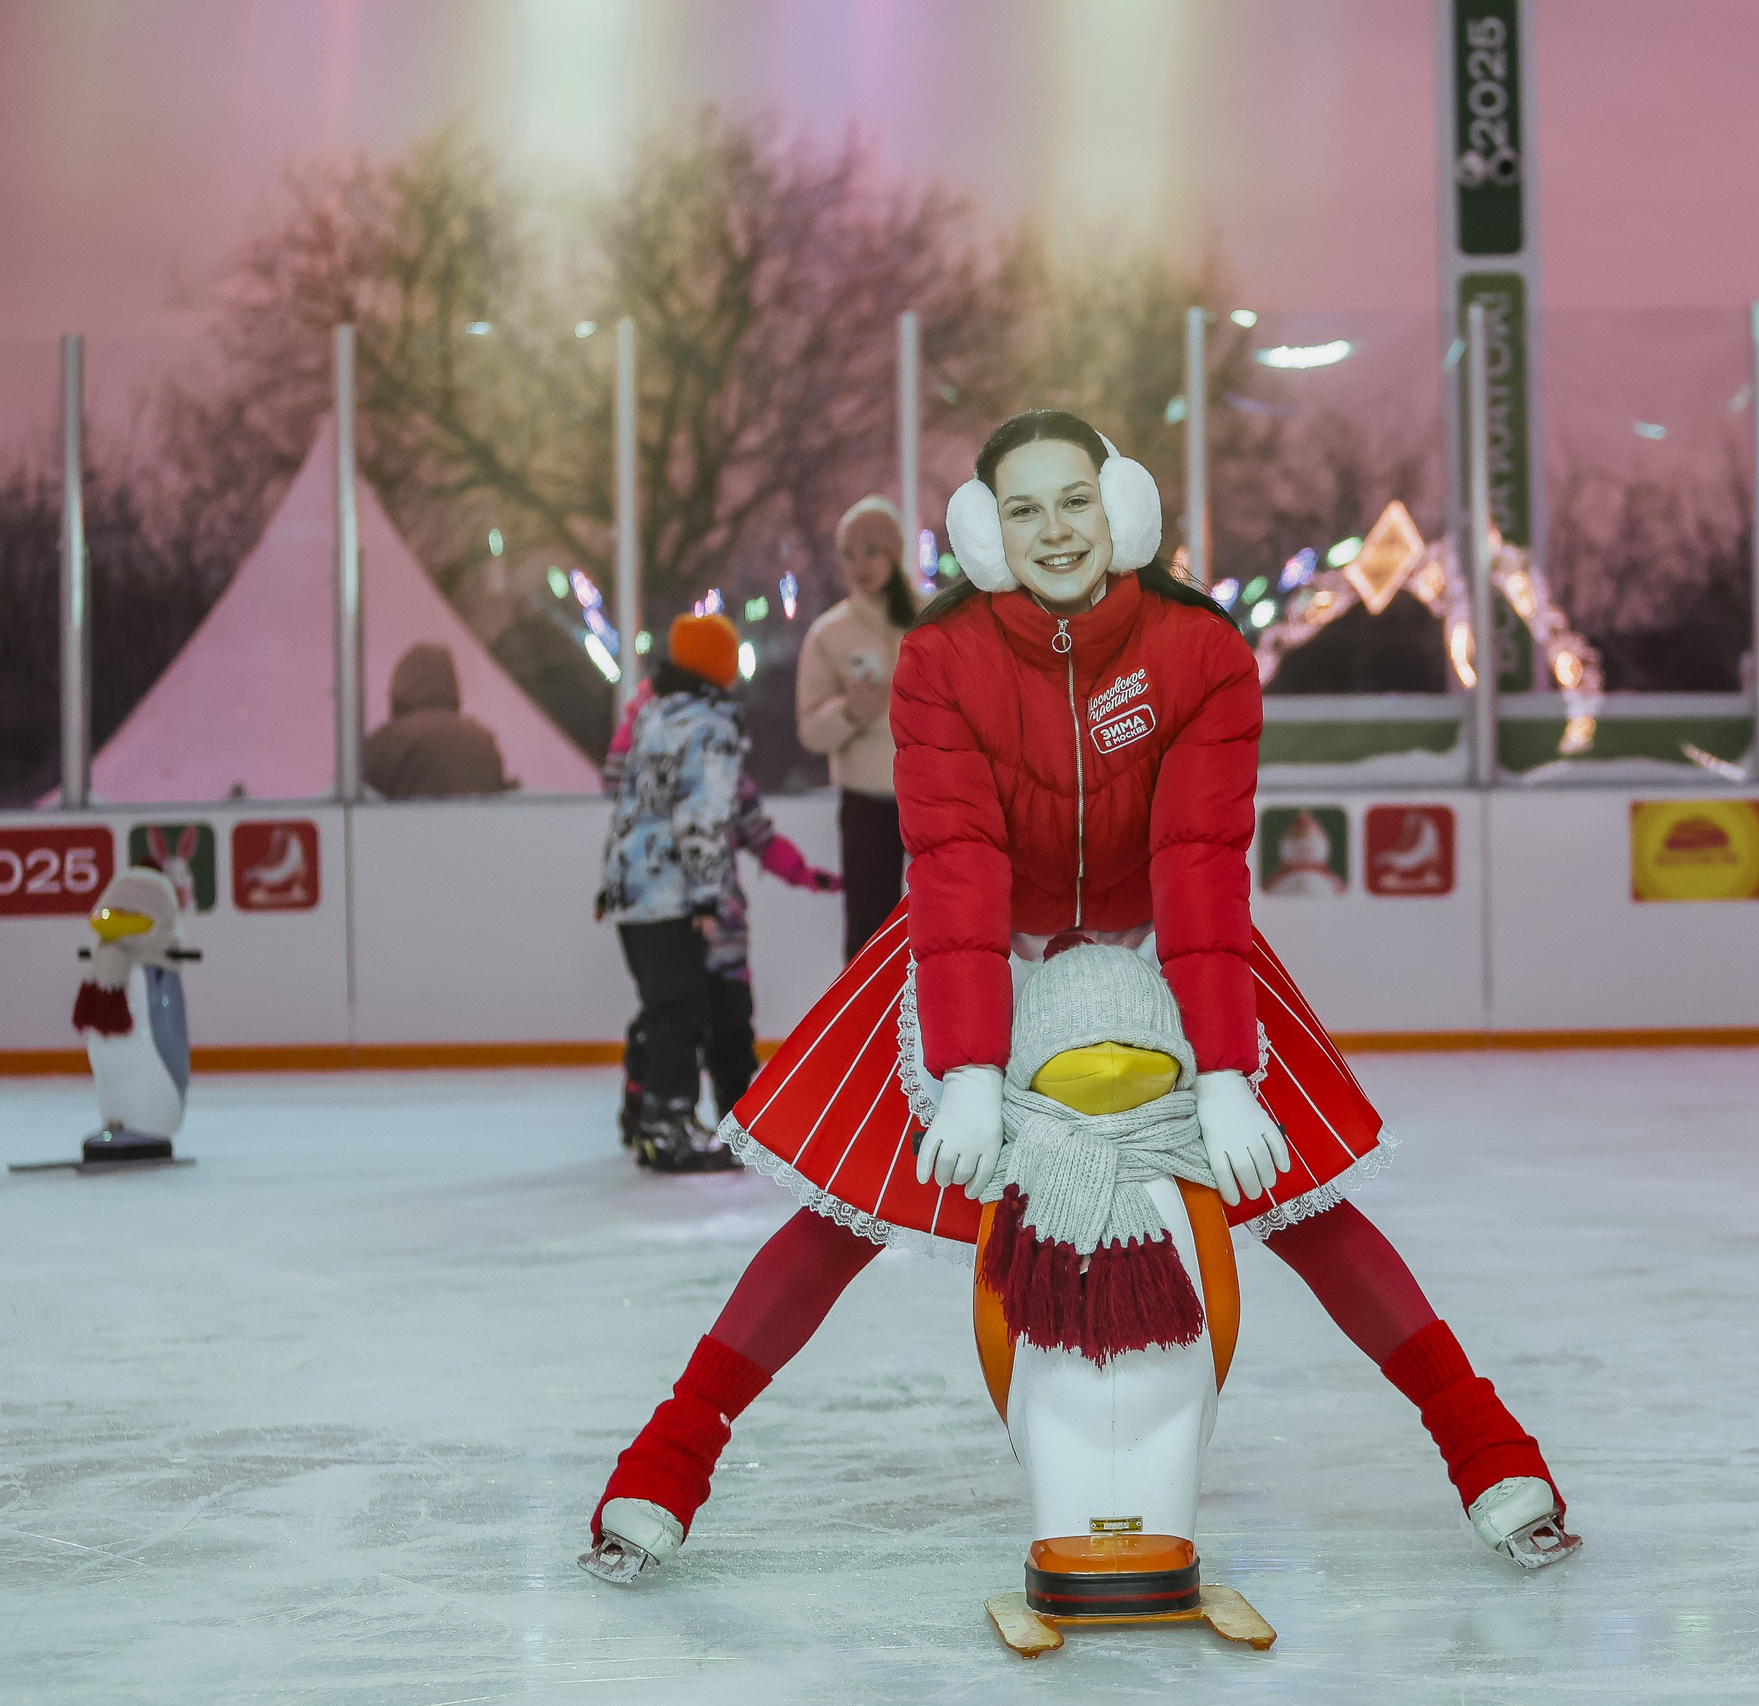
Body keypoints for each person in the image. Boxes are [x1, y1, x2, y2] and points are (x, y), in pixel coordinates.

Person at [579, 411, 1576, 1586]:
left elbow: (1199, 857)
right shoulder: (940, 658)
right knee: (839, 1217)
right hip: (978, 953)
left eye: (1074, 502)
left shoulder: (1199, 649)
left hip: (1172, 948)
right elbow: (955, 861)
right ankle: (667, 1459)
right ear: (985, 532)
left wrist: (1222, 1070)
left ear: (1123, 512)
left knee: (1301, 1198)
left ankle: (1488, 1449)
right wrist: (962, 1067)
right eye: (1023, 509)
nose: (1054, 529)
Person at [604, 682, 841, 1155]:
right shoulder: (649, 788)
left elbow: (760, 835)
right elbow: (617, 784)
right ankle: (649, 1106)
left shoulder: (728, 780)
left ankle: (739, 1123)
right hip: (677, 920)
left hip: (724, 930)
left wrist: (804, 875)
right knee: (670, 1018)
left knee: (730, 1024)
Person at [596, 614, 748, 1173]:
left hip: (632, 889)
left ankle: (648, 1118)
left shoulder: (651, 716)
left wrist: (609, 884)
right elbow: (702, 815)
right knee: (683, 1011)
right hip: (673, 892)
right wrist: (709, 895)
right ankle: (669, 1126)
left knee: (662, 1008)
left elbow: (627, 805)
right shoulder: (712, 727)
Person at [796, 497, 914, 962]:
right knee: (868, 934)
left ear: (895, 553)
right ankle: (866, 1035)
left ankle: (942, 1031)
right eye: (848, 553)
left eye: (872, 550)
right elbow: (810, 733)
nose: (859, 564)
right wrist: (850, 711)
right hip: (866, 804)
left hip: (935, 795)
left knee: (950, 922)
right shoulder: (829, 634)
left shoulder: (932, 620)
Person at [363, 642, 511, 798]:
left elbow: (355, 805)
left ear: (399, 686)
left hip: (413, 822)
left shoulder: (390, 739)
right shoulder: (482, 738)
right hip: (474, 822)